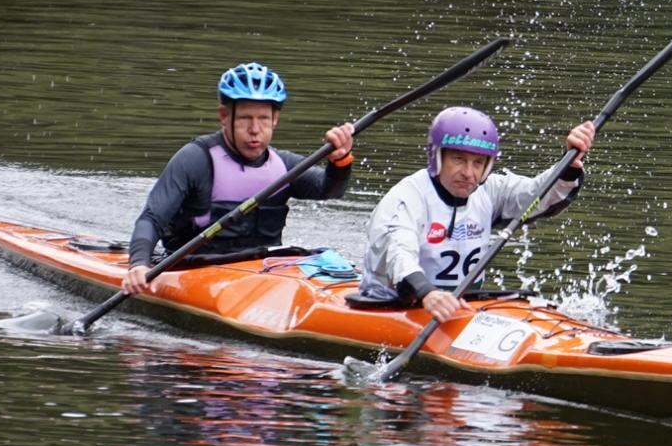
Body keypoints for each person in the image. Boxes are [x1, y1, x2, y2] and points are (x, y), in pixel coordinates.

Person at [122, 62, 355, 295]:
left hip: (265, 273)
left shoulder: (284, 166)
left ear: (275, 119)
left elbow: (330, 189)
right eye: (245, 118)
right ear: (224, 116)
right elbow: (152, 218)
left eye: (263, 119)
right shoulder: (195, 160)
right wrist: (139, 263)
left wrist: (340, 160)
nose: (255, 129)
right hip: (195, 270)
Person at [358, 106, 595, 321]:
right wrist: (427, 292)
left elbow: (539, 195)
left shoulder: (489, 191)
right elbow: (399, 254)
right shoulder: (406, 198)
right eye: (459, 159)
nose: (468, 173)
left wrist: (568, 166)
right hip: (393, 303)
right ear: (437, 157)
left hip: (464, 307)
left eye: (478, 163)